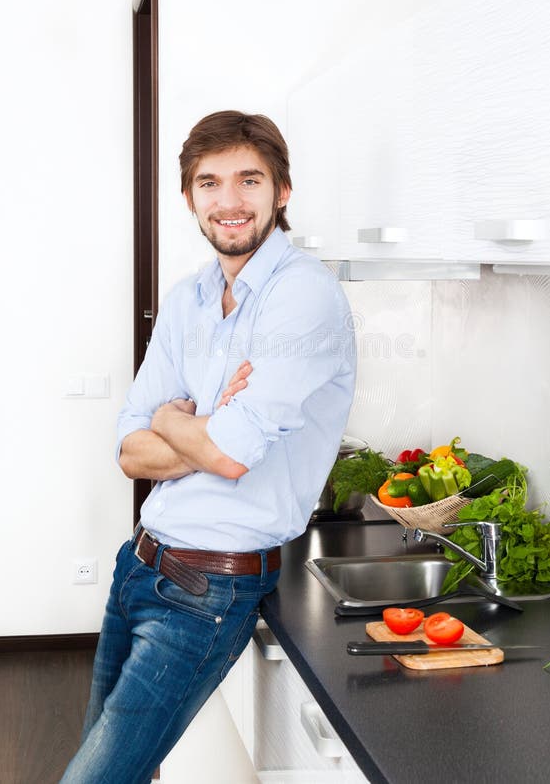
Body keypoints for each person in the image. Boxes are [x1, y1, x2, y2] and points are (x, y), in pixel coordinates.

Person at [61, 110, 357, 783]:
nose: (228, 201)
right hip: (138, 567)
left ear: (282, 191)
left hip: (207, 590)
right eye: (209, 182)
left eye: (249, 180)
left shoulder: (302, 297)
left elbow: (229, 457)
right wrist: (200, 423)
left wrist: (173, 422)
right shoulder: (189, 298)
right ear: (190, 197)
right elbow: (129, 452)